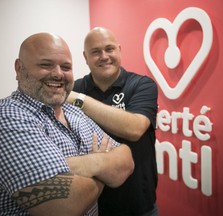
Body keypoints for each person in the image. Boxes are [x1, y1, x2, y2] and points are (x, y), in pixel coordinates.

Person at [0, 32, 134, 216]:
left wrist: (87, 164)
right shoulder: (5, 119)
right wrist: (104, 170)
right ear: (19, 69)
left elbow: (126, 160)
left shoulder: (75, 113)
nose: (58, 74)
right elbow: (65, 207)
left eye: (66, 67)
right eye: (45, 65)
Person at [67, 27, 159, 216]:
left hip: (138, 205)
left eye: (109, 49)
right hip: (91, 205)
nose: (104, 56)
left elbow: (134, 128)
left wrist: (80, 101)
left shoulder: (142, 85)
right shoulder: (76, 88)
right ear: (85, 57)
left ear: (119, 50)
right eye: (95, 51)